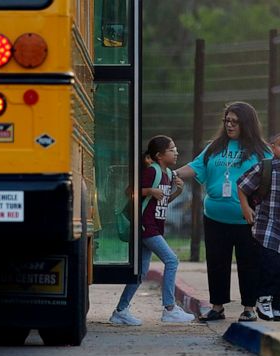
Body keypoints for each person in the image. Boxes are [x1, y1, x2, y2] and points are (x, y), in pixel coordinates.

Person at [175, 101, 272, 322]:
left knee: (249, 264)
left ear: (246, 124)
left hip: (248, 219)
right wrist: (171, 174)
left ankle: (249, 308)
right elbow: (195, 166)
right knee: (217, 262)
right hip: (215, 217)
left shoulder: (261, 151)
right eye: (226, 121)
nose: (229, 125)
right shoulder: (215, 147)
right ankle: (217, 307)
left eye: (235, 122)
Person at [109, 135, 195, 325]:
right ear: (159, 155)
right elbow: (129, 191)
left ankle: (120, 311)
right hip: (146, 227)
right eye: (172, 149)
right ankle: (170, 309)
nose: (176, 152)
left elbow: (161, 204)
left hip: (152, 226)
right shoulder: (152, 171)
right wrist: (149, 191)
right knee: (172, 260)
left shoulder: (167, 174)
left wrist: (177, 192)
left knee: (141, 271)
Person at [237, 133, 280, 321]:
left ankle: (277, 305)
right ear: (272, 147)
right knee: (270, 265)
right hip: (268, 226)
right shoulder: (266, 167)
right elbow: (242, 185)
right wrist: (246, 208)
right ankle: (264, 298)